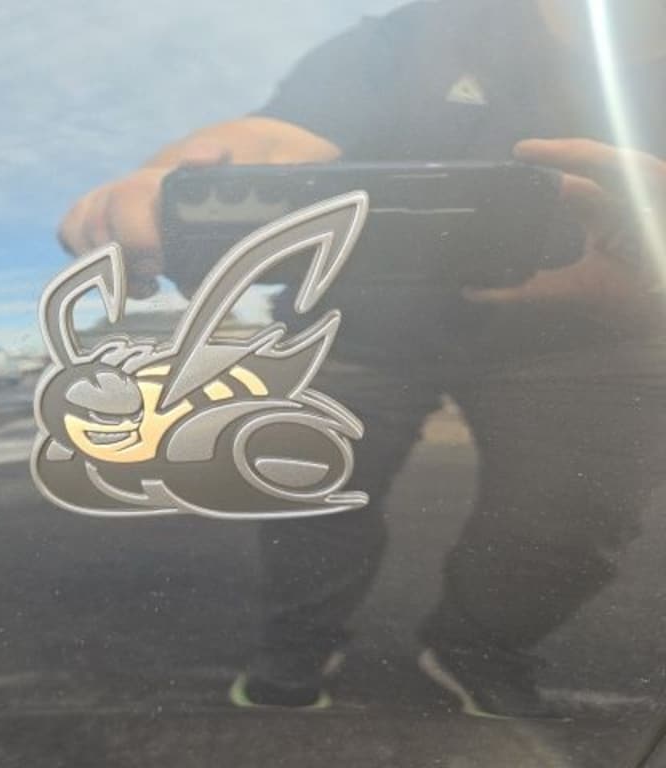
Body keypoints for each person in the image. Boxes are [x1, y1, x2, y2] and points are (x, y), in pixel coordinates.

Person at [58, 0, 666, 718]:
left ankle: (480, 648)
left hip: (587, 325)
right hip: (360, 314)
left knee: (574, 517)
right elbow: (281, 135)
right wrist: (169, 179)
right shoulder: (421, 32)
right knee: (306, 488)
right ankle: (300, 640)